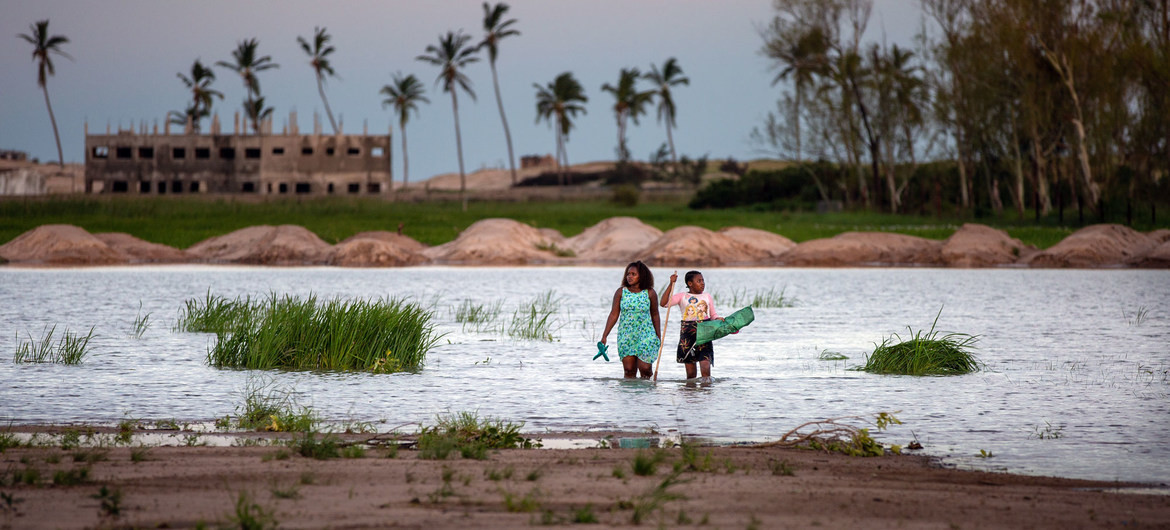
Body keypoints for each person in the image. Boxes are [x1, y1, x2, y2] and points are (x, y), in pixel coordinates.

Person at [599, 261, 662, 379]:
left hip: (646, 334)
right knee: (629, 371)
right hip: (626, 335)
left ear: (642, 276)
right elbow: (613, 314)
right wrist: (605, 335)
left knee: (645, 369)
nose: (629, 276)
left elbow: (655, 315)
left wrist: (659, 335)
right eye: (628, 274)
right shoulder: (621, 292)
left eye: (633, 274)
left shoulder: (650, 293)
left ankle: (647, 395)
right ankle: (629, 396)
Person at [659, 270, 722, 380]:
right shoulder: (682, 296)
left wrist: (718, 319)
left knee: (705, 367)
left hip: (705, 336)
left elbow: (713, 315)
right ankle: (691, 397)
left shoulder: (707, 296)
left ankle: (706, 395)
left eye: (703, 280)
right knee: (691, 375)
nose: (702, 283)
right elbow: (663, 303)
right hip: (688, 338)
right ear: (690, 283)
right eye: (699, 281)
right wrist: (671, 284)